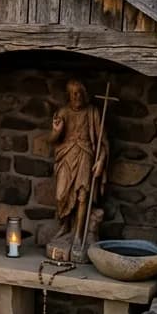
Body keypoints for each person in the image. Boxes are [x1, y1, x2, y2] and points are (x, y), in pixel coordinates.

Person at [50, 79, 107, 251]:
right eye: (74, 93)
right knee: (61, 195)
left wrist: (101, 161)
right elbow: (52, 140)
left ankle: (78, 235)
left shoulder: (93, 112)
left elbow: (103, 142)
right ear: (68, 95)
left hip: (85, 154)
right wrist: (57, 130)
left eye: (80, 92)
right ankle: (65, 225)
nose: (77, 96)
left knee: (83, 195)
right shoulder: (63, 112)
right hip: (66, 156)